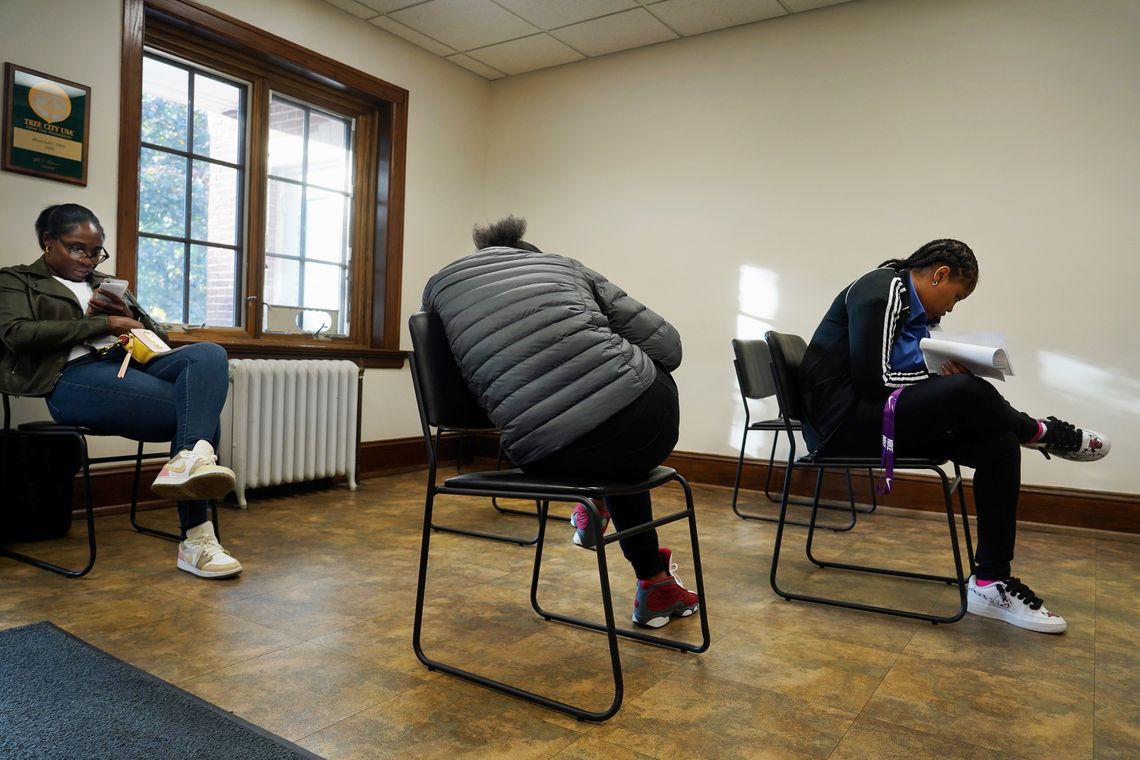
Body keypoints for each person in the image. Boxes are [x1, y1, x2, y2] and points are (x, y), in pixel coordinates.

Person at [798, 238, 1109, 634]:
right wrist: (945, 383)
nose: (950, 307)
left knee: (997, 445)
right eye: (956, 297)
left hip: (874, 419)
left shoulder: (909, 306)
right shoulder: (883, 289)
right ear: (940, 274)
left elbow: (892, 377)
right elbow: (873, 381)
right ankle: (1039, 431)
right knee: (966, 391)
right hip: (839, 425)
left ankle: (989, 582)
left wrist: (942, 375)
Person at [422, 215, 699, 629]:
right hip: (638, 428)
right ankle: (646, 571)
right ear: (528, 252)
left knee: (606, 444)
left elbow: (466, 389)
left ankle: (646, 571)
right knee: (624, 416)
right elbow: (670, 346)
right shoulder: (563, 265)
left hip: (542, 454)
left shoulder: (438, 287)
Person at [0, 203, 241, 579]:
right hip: (68, 378)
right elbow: (15, 334)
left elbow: (158, 340)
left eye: (96, 251)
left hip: (127, 363)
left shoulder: (105, 282)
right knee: (196, 418)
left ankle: (189, 461)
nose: (89, 258)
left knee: (209, 354)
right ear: (48, 242)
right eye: (78, 248)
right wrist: (101, 323)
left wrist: (131, 317)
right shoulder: (17, 280)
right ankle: (196, 537)